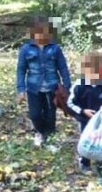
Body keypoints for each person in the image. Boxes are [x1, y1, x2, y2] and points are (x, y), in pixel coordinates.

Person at [16, 16, 72, 147]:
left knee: (50, 115)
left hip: (52, 88)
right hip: (33, 88)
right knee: (35, 114)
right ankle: (39, 132)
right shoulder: (26, 49)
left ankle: (49, 137)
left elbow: (63, 67)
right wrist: (21, 89)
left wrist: (67, 86)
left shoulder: (55, 48)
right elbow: (21, 69)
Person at [67, 52, 102, 185]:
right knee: (87, 142)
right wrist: (83, 111)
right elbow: (71, 103)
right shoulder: (80, 86)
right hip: (86, 121)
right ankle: (85, 162)